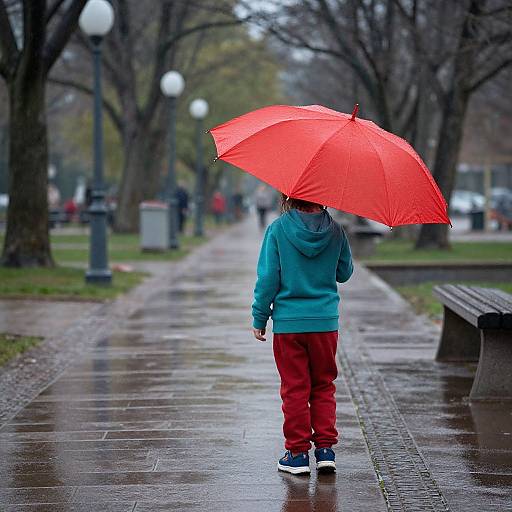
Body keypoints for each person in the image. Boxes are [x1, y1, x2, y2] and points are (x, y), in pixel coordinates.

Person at [252, 194, 353, 475]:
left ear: (289, 195)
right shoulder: (336, 230)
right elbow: (344, 273)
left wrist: (260, 317)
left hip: (289, 325)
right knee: (323, 385)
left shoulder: (278, 229)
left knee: (295, 388)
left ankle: (297, 454)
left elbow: (268, 279)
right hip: (324, 323)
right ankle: (325, 451)